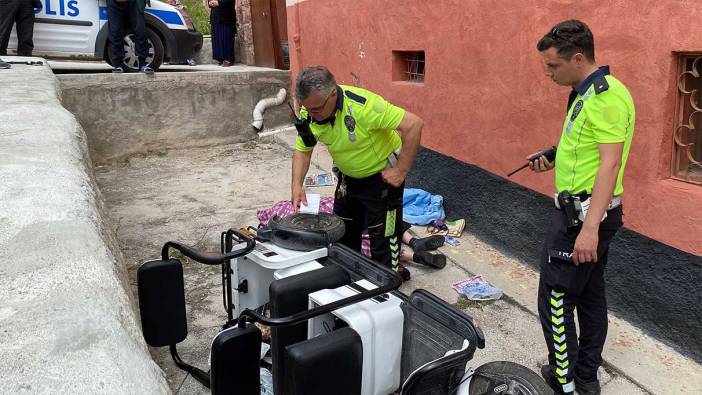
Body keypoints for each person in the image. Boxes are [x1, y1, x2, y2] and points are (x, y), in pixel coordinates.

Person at [531, 20, 635, 395]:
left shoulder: (606, 97)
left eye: (554, 65)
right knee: (590, 297)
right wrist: (554, 157)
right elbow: (585, 147)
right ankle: (585, 378)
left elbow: (610, 163)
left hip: (585, 217)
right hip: (584, 212)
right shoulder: (584, 92)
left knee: (556, 301)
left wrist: (589, 227)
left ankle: (566, 383)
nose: (548, 72)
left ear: (578, 58)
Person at [292, 66, 423, 281]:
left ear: (333, 94)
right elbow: (303, 151)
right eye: (307, 109)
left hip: (382, 180)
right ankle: (349, 283)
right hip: (348, 180)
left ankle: (389, 283)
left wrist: (400, 171)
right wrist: (297, 185)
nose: (311, 115)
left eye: (316, 109)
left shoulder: (364, 106)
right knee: (343, 234)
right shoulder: (310, 111)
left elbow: (414, 125)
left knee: (383, 239)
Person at [106, 0, 154, 74]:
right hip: (113, 3)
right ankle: (118, 65)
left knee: (140, 30)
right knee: (115, 32)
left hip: (134, 2)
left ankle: (142, 64)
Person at [207, 0, 236, 67]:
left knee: (227, 37)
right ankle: (220, 58)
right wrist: (210, 2)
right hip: (216, 16)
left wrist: (219, 3)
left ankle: (228, 59)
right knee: (217, 38)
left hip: (226, 16)